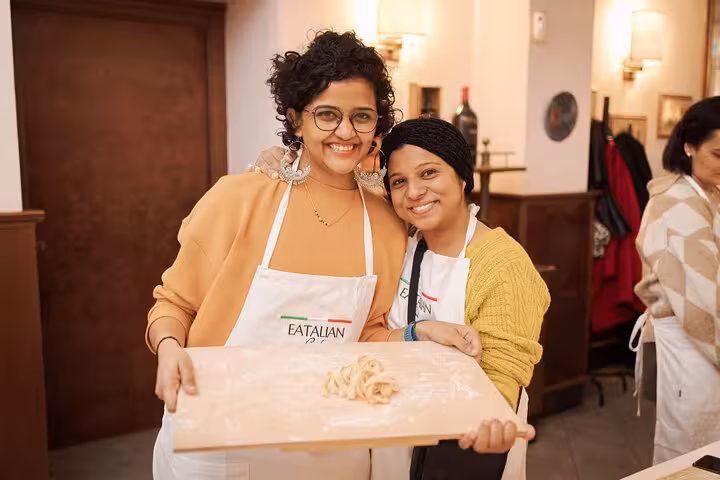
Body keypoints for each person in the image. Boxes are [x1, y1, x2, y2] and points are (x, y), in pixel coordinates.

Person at [147, 31, 492, 480]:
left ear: (376, 126)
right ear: (296, 120)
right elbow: (173, 303)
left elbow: (365, 336)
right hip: (220, 444)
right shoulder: (239, 199)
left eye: (361, 117)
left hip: (331, 451)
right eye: (327, 115)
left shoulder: (386, 224)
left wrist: (418, 332)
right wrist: (169, 348)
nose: (345, 132)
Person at [271, 117, 549, 479]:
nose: (414, 192)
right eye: (399, 182)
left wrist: (489, 421)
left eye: (429, 173)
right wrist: (283, 161)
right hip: (394, 436)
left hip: (464, 451)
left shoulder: (503, 265)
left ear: (462, 177)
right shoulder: (404, 241)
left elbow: (502, 377)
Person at [632, 96, 720, 464]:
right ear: (689, 147)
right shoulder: (675, 204)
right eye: (719, 154)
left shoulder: (710, 195)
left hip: (706, 341)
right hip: (694, 343)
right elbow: (705, 300)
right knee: (691, 455)